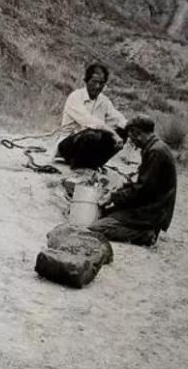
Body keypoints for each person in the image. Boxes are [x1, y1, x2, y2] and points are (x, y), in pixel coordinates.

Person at [89, 115, 177, 246]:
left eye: (131, 137)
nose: (132, 142)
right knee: (106, 214)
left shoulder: (155, 152)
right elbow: (143, 183)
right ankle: (141, 229)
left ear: (138, 133)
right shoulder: (154, 147)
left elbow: (142, 191)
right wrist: (121, 189)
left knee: (97, 228)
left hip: (150, 212)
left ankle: (146, 235)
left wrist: (114, 197)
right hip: (148, 206)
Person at [56, 63, 127, 169]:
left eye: (101, 83)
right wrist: (114, 134)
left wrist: (130, 129)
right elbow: (90, 122)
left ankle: (94, 164)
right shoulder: (75, 97)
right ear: (86, 81)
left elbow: (118, 119)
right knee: (92, 134)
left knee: (123, 131)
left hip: (91, 144)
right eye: (94, 82)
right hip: (68, 145)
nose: (97, 86)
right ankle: (77, 165)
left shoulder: (104, 101)